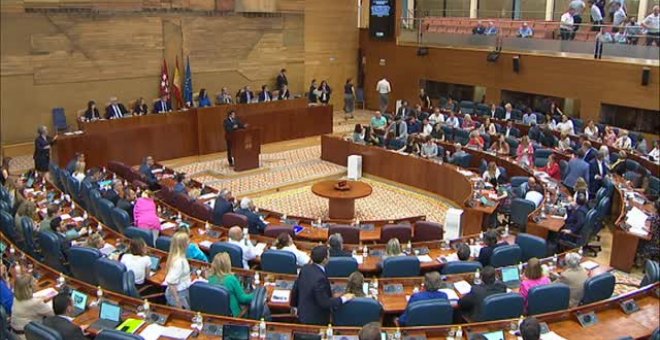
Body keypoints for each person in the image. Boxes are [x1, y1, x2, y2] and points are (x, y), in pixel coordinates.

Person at [290, 246, 354, 325]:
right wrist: (344, 298)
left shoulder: (305, 269)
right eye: (328, 255)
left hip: (302, 314)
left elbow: (295, 290)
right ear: (325, 260)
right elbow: (324, 302)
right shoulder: (320, 279)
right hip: (315, 320)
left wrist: (294, 306)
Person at [208, 252, 254, 317]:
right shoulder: (231, 279)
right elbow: (243, 299)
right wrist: (257, 294)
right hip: (234, 316)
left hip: (217, 314)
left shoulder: (211, 278)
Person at [165, 232, 192, 309]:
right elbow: (171, 282)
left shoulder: (177, 257)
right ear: (183, 244)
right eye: (187, 240)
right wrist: (177, 301)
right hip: (180, 294)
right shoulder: (179, 262)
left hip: (182, 292)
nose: (189, 241)